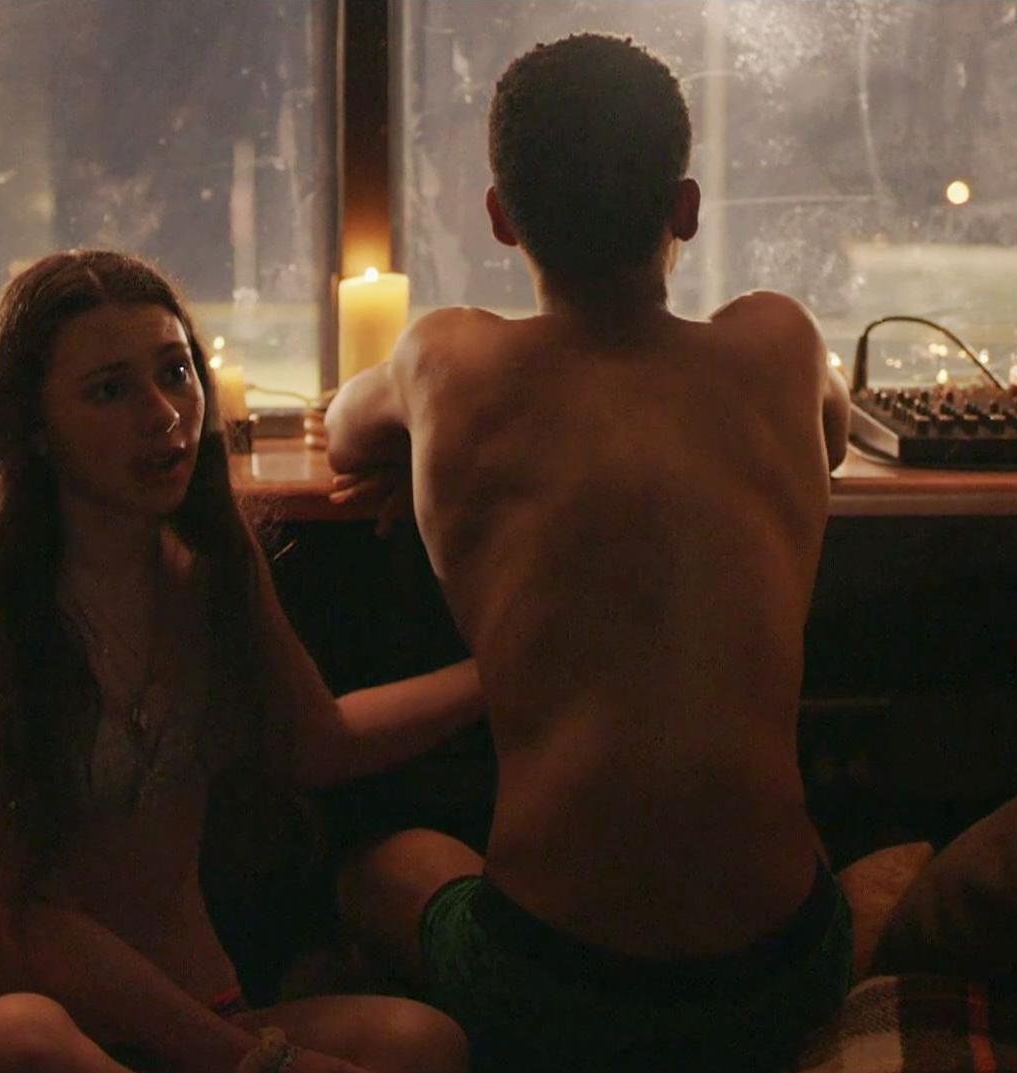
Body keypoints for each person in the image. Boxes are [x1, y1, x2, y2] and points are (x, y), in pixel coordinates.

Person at [325, 33, 854, 1073]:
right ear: (685, 209)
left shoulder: (447, 362)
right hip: (784, 971)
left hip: (553, 985)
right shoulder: (780, 343)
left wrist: (421, 445)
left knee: (378, 868)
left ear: (500, 216)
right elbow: (830, 436)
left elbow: (346, 431)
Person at [0, 250, 481, 1073]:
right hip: (31, 1030)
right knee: (20, 1038)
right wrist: (257, 1063)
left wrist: (504, 670)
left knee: (423, 1044)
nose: (164, 413)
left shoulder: (208, 571)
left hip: (207, 1014)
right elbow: (31, 914)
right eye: (110, 390)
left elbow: (321, 740)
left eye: (176, 372)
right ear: (33, 424)